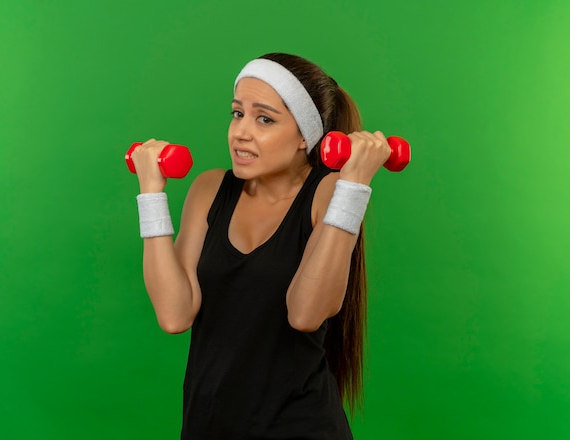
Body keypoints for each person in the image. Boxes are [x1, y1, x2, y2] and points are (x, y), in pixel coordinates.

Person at [130, 52, 392, 439]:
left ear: (306, 135)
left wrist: (353, 188)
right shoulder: (210, 189)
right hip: (209, 426)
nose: (241, 132)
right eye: (238, 113)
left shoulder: (327, 194)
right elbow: (174, 314)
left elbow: (306, 313)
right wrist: (150, 193)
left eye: (264, 119)